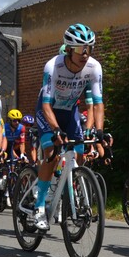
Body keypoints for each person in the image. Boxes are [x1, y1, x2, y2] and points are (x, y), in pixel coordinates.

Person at [33, 23, 108, 231]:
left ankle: (73, 194)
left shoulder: (94, 67)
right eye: (79, 49)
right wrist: (56, 130)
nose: (85, 54)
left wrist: (99, 131)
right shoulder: (53, 66)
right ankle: (39, 206)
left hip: (70, 112)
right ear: (68, 49)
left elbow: (98, 103)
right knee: (52, 151)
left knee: (80, 153)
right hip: (48, 111)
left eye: (89, 48)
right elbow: (46, 104)